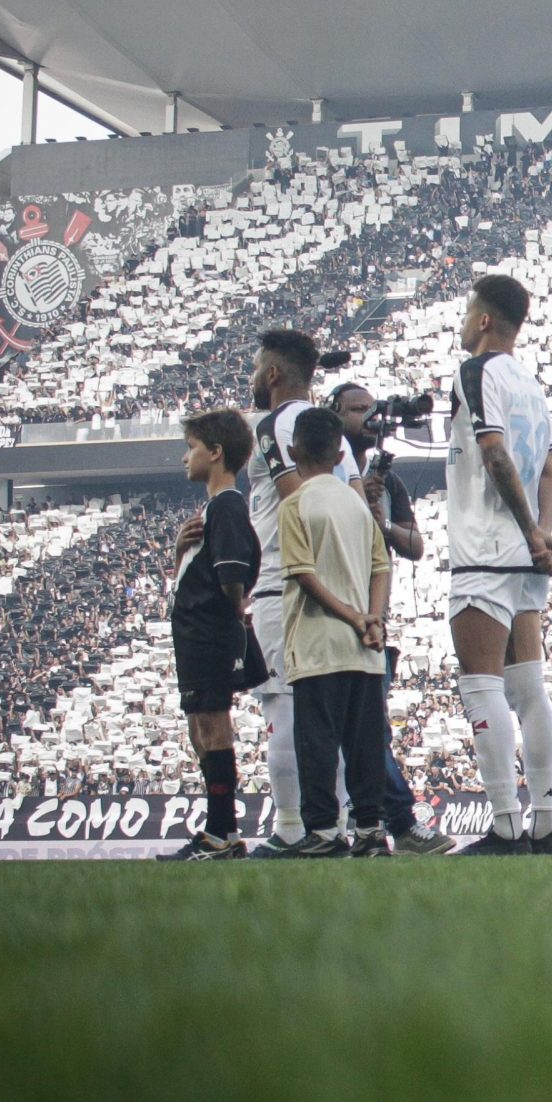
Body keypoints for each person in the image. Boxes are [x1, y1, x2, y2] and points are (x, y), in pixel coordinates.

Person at [445, 274, 552, 856]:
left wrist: (527, 532)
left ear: (486, 320)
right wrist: (542, 535)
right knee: (529, 686)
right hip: (523, 554)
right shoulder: (531, 383)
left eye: (469, 312)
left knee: (481, 685)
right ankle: (544, 823)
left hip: (484, 547)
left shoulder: (477, 372)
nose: (465, 323)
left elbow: (493, 451)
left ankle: (503, 825)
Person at [236, 329, 357, 854]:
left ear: (273, 374)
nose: (252, 377)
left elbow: (296, 500)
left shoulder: (272, 426)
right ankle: (339, 826)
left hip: (284, 582)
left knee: (282, 706)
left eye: (256, 368)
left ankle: (289, 828)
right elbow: (356, 504)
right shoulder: (337, 436)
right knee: (329, 714)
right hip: (340, 583)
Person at [329, 383, 449, 855]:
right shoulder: (326, 471)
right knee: (354, 731)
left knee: (367, 729)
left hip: (372, 615)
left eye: (370, 409)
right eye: (356, 410)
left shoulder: (387, 481)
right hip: (336, 605)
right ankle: (382, 822)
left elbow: (415, 545)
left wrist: (380, 520)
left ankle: (388, 821)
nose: (367, 417)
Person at [271, 405, 392, 858]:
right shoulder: (357, 505)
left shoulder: (296, 504)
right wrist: (372, 618)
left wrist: (352, 616)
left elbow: (304, 574)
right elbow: (382, 566)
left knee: (318, 743)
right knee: (364, 744)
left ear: (291, 449)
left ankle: (323, 831)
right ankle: (370, 830)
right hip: (365, 648)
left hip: (319, 642)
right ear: (341, 452)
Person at [159, 409, 261, 861]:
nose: (185, 457)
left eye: (192, 448)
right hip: (196, 635)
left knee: (213, 728)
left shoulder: (228, 507)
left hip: (210, 635)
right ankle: (218, 830)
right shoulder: (213, 510)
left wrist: (234, 616)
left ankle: (224, 832)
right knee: (201, 729)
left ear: (216, 453)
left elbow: (233, 578)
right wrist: (182, 551)